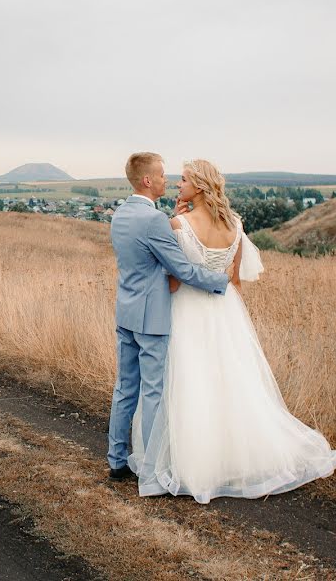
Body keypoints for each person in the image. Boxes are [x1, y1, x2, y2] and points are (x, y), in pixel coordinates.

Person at [127, 158, 336, 503]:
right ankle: (235, 456)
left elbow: (172, 282)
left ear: (198, 186)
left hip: (188, 310)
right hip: (226, 310)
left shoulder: (178, 224)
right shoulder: (236, 225)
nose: (178, 184)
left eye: (183, 180)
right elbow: (236, 282)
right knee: (230, 380)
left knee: (189, 382)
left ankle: (194, 461)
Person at [107, 152, 233, 481]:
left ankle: (117, 458)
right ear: (147, 180)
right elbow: (183, 270)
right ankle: (152, 469)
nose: (168, 180)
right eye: (162, 175)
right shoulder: (154, 222)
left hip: (126, 313)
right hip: (152, 320)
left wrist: (172, 220)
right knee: (152, 393)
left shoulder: (120, 214)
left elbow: (143, 257)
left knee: (124, 389)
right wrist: (222, 281)